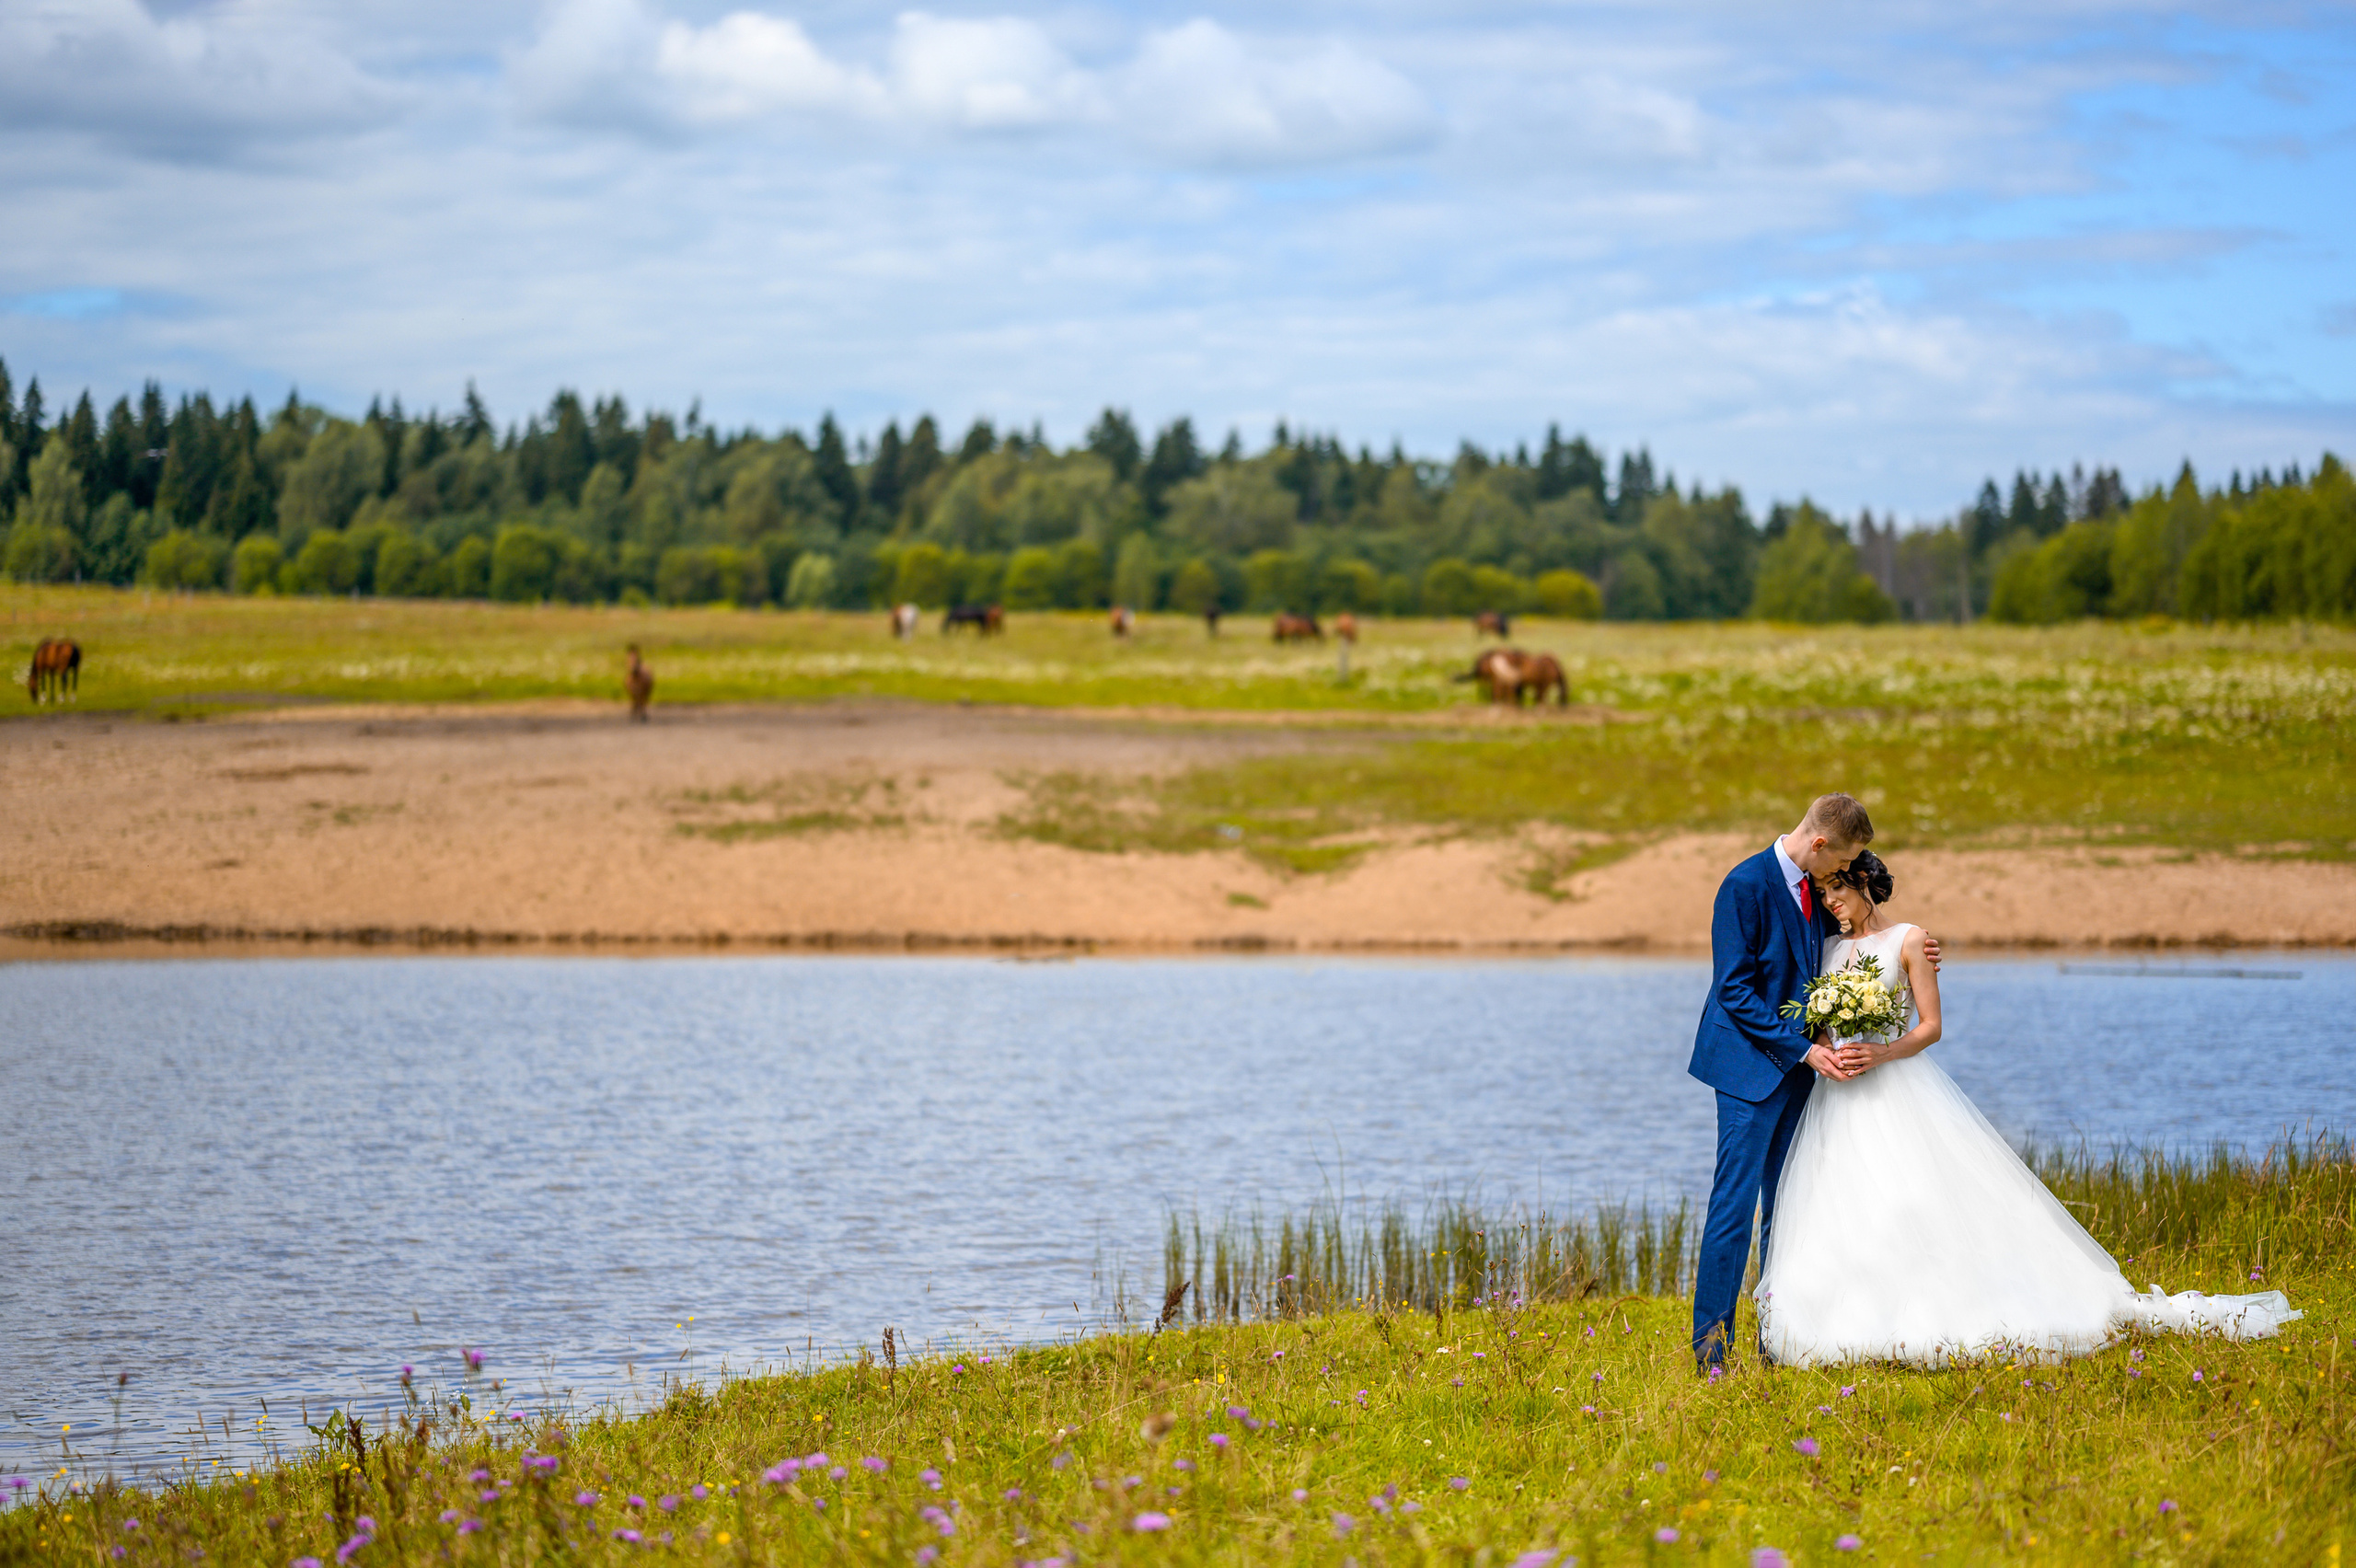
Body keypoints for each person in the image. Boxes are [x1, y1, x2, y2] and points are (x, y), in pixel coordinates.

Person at [1754, 851, 2299, 1365]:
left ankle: (1933, 1307)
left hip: (1896, 1085)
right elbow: (1818, 1022)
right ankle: (1843, 1318)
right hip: (1838, 1097)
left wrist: (1882, 1052)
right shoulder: (1825, 949)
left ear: (1865, 883)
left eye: (1837, 887)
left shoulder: (1910, 940)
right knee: (1847, 1202)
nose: (1829, 900)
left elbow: (1931, 1027)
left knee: (1911, 1196)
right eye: (1823, 891)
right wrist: (1829, 1049)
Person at [1689, 792, 1894, 1370]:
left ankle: (1776, 1341)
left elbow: (1845, 945)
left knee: (1789, 1208)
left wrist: (1909, 949)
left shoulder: (1813, 886)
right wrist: (1805, 1049)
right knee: (1733, 1207)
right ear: (1819, 842)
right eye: (1840, 861)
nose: (1840, 874)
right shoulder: (1744, 885)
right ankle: (1712, 1354)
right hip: (1748, 1070)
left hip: (1803, 1071)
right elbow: (1733, 991)